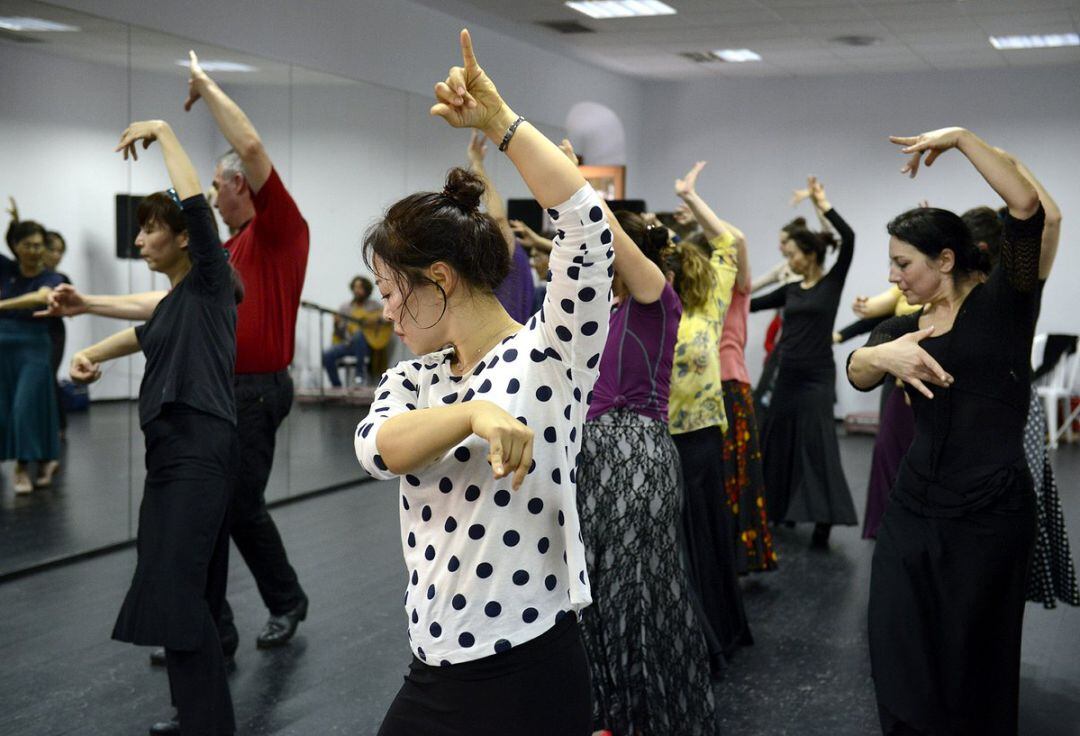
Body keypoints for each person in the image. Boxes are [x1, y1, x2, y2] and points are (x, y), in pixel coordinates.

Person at [354, 30, 611, 736]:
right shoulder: (416, 380)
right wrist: (473, 416)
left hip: (526, 667)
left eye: (389, 290)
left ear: (438, 280)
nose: (385, 309)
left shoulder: (551, 354)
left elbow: (587, 229)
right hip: (433, 663)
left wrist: (501, 123)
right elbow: (379, 450)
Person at [847, 126, 1044, 735]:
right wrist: (885, 358)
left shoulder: (1007, 301)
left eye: (904, 264)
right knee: (898, 637)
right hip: (915, 506)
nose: (895, 276)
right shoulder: (907, 325)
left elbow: (1026, 207)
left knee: (971, 656)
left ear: (947, 260)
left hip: (989, 513)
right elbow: (856, 372)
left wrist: (960, 140)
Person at [68, 118, 240, 736]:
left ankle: (205, 722)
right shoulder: (177, 304)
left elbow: (195, 203)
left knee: (175, 587)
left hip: (199, 449)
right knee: (187, 588)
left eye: (149, 228)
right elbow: (142, 332)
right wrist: (91, 356)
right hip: (173, 454)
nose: (140, 240)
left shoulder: (213, 284)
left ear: (185, 239)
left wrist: (165, 132)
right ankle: (198, 716)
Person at [571, 141, 719, 732]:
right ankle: (609, 711)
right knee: (598, 589)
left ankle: (647, 716)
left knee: (636, 592)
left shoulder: (658, 300)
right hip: (593, 458)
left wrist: (579, 187)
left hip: (637, 458)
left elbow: (623, 253)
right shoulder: (596, 308)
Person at [668, 161, 752, 675]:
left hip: (700, 438)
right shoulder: (641, 310)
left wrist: (691, 198)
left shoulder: (708, 309)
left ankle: (716, 631)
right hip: (656, 439)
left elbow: (730, 245)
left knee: (705, 535)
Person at [750, 176, 858, 546]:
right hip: (787, 377)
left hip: (816, 378)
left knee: (816, 444)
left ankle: (824, 519)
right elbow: (749, 303)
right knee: (778, 442)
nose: (789, 258)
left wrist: (822, 203)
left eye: (793, 253)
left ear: (810, 255)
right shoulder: (792, 289)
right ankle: (781, 510)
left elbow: (850, 239)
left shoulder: (832, 284)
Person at [680, 187, 777, 574]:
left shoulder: (733, 289)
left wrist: (696, 203)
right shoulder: (690, 300)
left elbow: (736, 240)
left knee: (732, 475)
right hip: (704, 393)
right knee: (715, 478)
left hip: (729, 387)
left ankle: (732, 556)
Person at [0, 207, 63, 494]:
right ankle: (47, 458)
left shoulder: (52, 278)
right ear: (16, 247)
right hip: (4, 348)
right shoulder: (7, 270)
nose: (35, 251)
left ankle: (22, 468)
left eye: (39, 245)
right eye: (28, 245)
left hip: (35, 348)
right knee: (6, 410)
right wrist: (14, 221)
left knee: (25, 407)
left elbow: (39, 298)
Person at [467, 130, 536, 324]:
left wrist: (477, 164)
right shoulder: (509, 261)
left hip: (500, 343)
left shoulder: (505, 261)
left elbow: (498, 218)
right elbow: (498, 218)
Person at [321, 275, 385, 387]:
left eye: (360, 288)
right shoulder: (345, 308)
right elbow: (339, 334)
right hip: (348, 344)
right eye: (355, 287)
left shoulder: (374, 306)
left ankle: (359, 374)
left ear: (366, 290)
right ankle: (337, 386)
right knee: (327, 354)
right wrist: (336, 325)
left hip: (367, 346)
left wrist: (371, 320)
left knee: (359, 334)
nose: (357, 290)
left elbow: (386, 318)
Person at [42, 230, 73, 443]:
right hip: (30, 333)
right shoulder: (27, 276)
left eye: (60, 251)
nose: (57, 255)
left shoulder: (61, 279)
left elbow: (70, 309)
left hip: (53, 333)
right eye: (52, 249)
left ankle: (59, 425)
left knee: (48, 376)